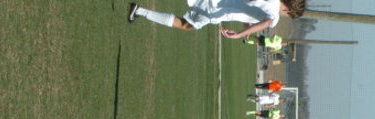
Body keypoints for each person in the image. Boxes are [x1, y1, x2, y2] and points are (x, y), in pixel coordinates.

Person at [127, 0, 304, 39]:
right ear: (288, 10)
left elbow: (248, 6)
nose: (284, 16)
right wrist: (240, 34)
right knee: (186, 25)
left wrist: (246, 24)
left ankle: (139, 11)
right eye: (287, 15)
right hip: (216, 11)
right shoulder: (274, 16)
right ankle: (140, 11)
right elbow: (266, 23)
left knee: (189, 25)